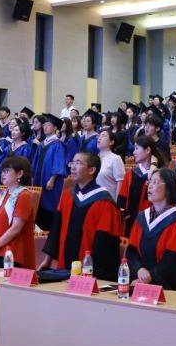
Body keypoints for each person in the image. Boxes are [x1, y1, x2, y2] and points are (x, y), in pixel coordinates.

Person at [39, 151, 124, 279]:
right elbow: (56, 231)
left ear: (91, 170)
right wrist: (47, 260)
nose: (73, 167)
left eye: (78, 163)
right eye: (72, 163)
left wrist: (96, 274)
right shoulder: (67, 196)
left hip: (89, 274)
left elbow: (105, 244)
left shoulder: (105, 202)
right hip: (64, 269)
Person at [125, 168, 176, 291]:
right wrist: (139, 270)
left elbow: (173, 264)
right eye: (150, 182)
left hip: (165, 293)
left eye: (155, 182)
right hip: (138, 285)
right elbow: (132, 252)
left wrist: (149, 279)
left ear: (169, 188)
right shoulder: (142, 218)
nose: (149, 186)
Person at [0, 155, 36, 269]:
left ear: (20, 174)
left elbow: (16, 228)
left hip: (10, 254)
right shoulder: (0, 195)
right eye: (2, 171)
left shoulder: (24, 195)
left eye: (7, 171)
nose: (3, 174)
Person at [118, 135, 165, 229]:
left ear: (147, 150)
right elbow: (122, 197)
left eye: (136, 148)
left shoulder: (159, 175)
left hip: (150, 221)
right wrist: (121, 211)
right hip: (129, 222)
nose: (133, 152)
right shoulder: (131, 174)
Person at [33, 113, 68, 231]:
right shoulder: (42, 144)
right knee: (38, 207)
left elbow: (58, 163)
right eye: (44, 125)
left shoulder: (58, 144)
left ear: (55, 128)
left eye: (48, 125)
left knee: (48, 206)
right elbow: (35, 163)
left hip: (50, 182)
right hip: (39, 180)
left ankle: (48, 233)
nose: (45, 127)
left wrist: (52, 180)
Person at [95, 129, 126, 196]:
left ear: (111, 142)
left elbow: (120, 182)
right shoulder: (94, 158)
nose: (99, 138)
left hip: (109, 199)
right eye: (99, 136)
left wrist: (118, 201)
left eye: (103, 136)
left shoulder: (115, 158)